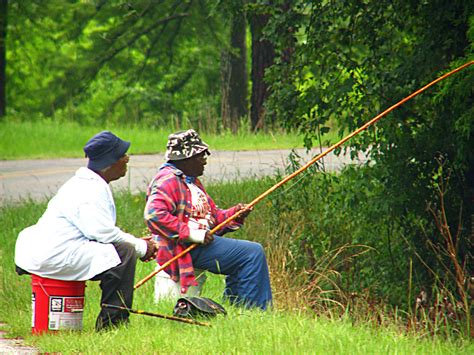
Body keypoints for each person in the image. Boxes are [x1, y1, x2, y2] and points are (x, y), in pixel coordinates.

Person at [15, 131, 159, 331]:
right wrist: (141, 247)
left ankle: (113, 321)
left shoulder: (90, 183)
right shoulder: (89, 190)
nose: (127, 159)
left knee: (123, 249)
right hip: (56, 255)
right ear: (110, 162)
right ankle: (112, 326)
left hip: (57, 249)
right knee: (124, 253)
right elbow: (104, 234)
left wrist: (136, 242)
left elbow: (99, 232)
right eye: (122, 155)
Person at [144, 129, 272, 310]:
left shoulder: (191, 181)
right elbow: (154, 215)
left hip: (196, 246)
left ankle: (238, 309)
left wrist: (234, 214)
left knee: (246, 256)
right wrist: (192, 234)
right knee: (252, 253)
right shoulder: (168, 180)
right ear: (186, 158)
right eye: (201, 154)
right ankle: (253, 311)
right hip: (183, 248)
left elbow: (211, 217)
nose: (205, 159)